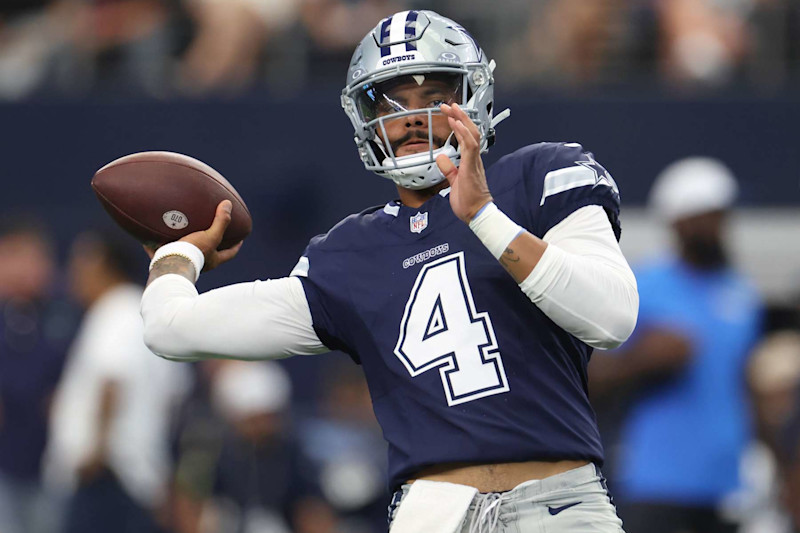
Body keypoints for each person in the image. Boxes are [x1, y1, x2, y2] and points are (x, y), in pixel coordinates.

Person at [141, 10, 638, 532]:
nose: (410, 119)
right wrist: (180, 254)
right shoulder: (349, 253)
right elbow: (169, 327)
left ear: (474, 99)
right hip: (431, 516)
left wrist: (483, 218)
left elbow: (610, 317)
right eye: (391, 103)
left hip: (558, 507)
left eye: (433, 99)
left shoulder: (541, 175)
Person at [590, 157, 762, 533]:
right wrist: (643, 360)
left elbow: (745, 386)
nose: (718, 225)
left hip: (727, 484)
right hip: (655, 483)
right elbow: (587, 378)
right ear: (677, 221)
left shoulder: (742, 292)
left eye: (722, 214)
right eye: (707, 215)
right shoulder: (642, 286)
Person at [43, 231, 191, 533]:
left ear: (100, 264)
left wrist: (96, 453)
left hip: (109, 478)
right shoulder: (141, 311)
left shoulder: (117, 309)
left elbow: (113, 379)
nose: (72, 272)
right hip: (135, 478)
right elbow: (176, 395)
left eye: (79, 262)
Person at [0, 219, 76, 533]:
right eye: (19, 257)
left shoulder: (67, 312)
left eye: (38, 258)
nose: (32, 268)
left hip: (51, 460)